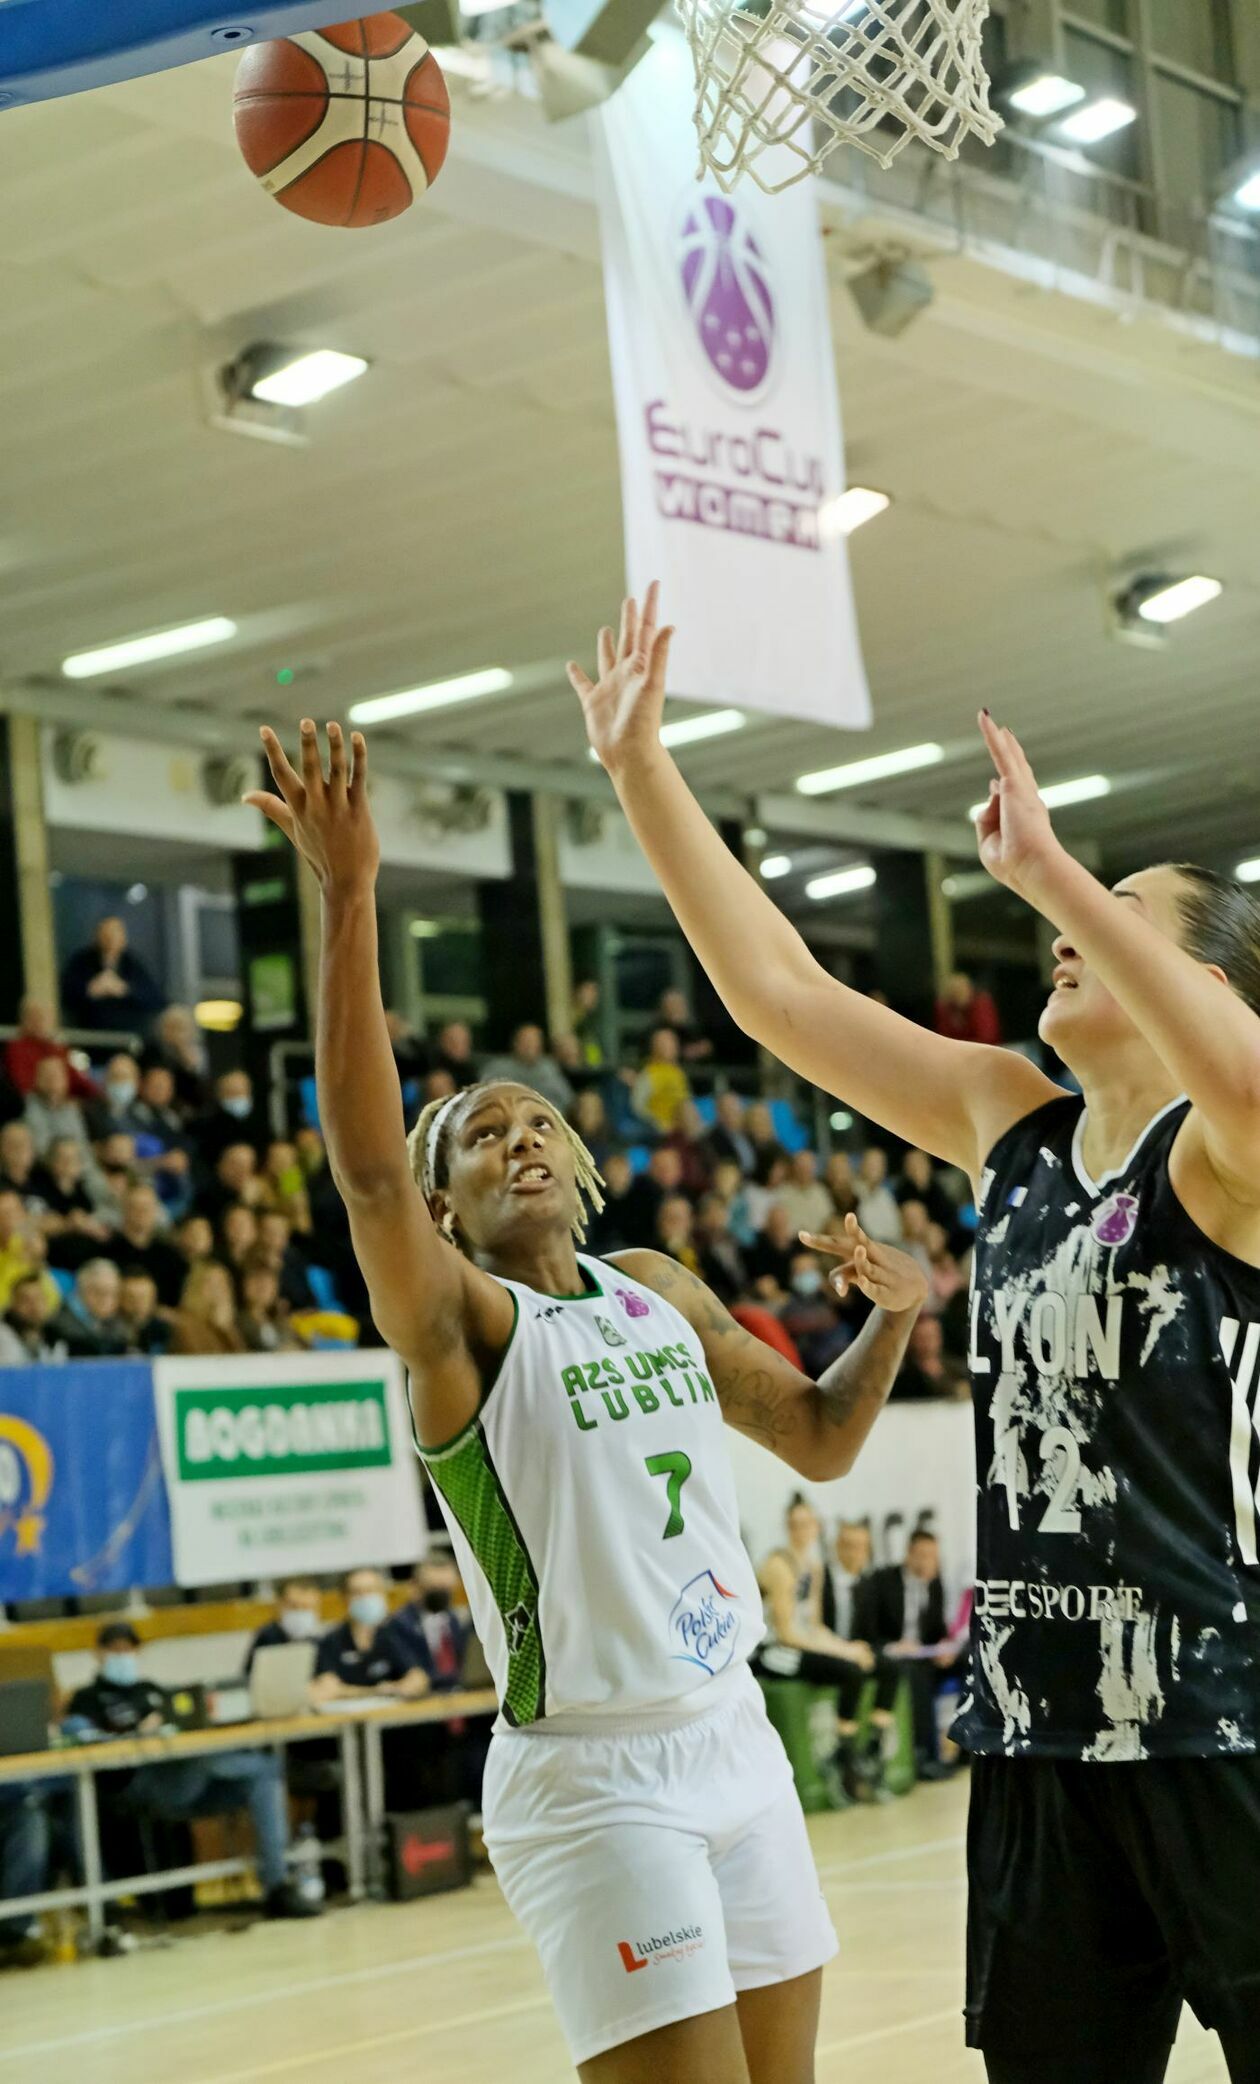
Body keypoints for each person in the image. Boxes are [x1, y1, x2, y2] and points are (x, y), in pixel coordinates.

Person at [571, 589, 1260, 2084]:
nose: (1066, 936)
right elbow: (779, 994)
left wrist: (1062, 873)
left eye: (1116, 920)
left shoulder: (1228, 1155)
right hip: (1035, 1745)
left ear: (1203, 986)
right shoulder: (1009, 1120)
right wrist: (641, 773)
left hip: (1229, 1725)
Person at [244, 716, 929, 2084]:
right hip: (594, 1780)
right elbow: (369, 1174)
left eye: (537, 1119)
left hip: (734, 1732)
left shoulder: (657, 1289)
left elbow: (819, 1440)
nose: (519, 1138)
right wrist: (353, 893)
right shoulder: (462, 1324)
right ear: (447, 1207)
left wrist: (897, 1317)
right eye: (479, 1137)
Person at [66, 1623, 316, 1919]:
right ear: (98, 1653)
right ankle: (248, 1762)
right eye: (115, 1649)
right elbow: (83, 1738)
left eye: (129, 1649)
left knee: (263, 1776)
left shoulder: (152, 1691)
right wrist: (138, 1732)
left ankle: (277, 1887)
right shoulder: (86, 1698)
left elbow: (181, 1717)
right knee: (206, 1759)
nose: (123, 1655)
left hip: (186, 1781)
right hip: (140, 1784)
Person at [752, 1499, 879, 1803]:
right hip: (772, 1651)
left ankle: (851, 1752)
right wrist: (843, 1655)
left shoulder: (814, 1565)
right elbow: (787, 1634)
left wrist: (846, 1648)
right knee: (848, 1670)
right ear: (787, 1527)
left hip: (800, 1642)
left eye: (807, 1523)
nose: (801, 1530)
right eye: (795, 1524)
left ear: (817, 1526)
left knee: (864, 1662)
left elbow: (815, 1626)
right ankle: (844, 1758)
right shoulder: (778, 1565)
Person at [862, 1531, 955, 1781]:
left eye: (933, 1557)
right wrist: (895, 1646)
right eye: (923, 1555)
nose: (928, 1562)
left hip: (924, 1654)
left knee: (969, 1664)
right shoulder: (883, 1581)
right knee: (917, 1676)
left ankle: (964, 1750)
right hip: (894, 1655)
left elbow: (938, 1631)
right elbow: (868, 1632)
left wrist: (945, 1646)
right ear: (909, 1554)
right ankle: (923, 1755)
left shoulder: (934, 1583)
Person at [311, 1568, 428, 1701]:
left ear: (382, 1594)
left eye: (370, 1591)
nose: (365, 1598)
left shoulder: (395, 1632)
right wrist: (377, 1691)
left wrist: (405, 1687)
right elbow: (328, 1688)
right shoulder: (331, 1641)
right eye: (357, 1592)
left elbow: (418, 1678)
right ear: (344, 1598)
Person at [60, 916, 162, 1033]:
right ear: (97, 937)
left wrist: (125, 990)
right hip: (90, 1034)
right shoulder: (81, 962)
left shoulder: (133, 963)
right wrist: (90, 990)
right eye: (106, 936)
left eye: (114, 936)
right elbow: (65, 994)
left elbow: (155, 998)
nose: (110, 940)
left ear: (123, 939)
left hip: (128, 1035)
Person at [98, 1183, 185, 1304]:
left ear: (155, 1211)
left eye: (146, 1207)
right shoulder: (105, 1251)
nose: (141, 1213)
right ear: (124, 1209)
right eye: (135, 1207)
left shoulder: (170, 1255)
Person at [3, 996, 98, 1102]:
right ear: (24, 1019)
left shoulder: (57, 1048)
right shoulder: (17, 1048)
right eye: (35, 1016)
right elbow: (22, 1086)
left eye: (46, 1016)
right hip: (35, 1106)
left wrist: (99, 1095)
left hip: (64, 1106)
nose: (41, 1021)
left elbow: (76, 1080)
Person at [481, 1024, 573, 1116]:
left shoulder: (549, 1066)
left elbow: (566, 1098)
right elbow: (485, 1099)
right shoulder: (498, 1067)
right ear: (515, 1043)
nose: (530, 1046)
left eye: (534, 1041)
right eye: (526, 1041)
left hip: (550, 1118)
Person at [51, 1258, 129, 1358]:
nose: (106, 1300)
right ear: (81, 1291)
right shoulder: (60, 1326)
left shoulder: (120, 1325)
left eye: (113, 1293)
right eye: (98, 1292)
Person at [143, 1004, 211, 1117]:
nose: (176, 1033)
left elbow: (201, 1093)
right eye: (171, 1027)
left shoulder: (197, 1055)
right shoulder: (152, 1052)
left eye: (181, 1028)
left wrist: (190, 1066)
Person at [167, 1261, 247, 1356]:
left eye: (223, 1284)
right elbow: (204, 1360)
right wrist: (221, 1330)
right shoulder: (185, 1324)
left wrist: (226, 1329)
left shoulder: (228, 1324)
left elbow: (241, 1361)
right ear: (195, 1287)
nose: (218, 1290)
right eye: (211, 1284)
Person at [245, 1578, 324, 1673]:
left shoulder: (318, 1641)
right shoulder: (267, 1637)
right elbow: (251, 1678)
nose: (300, 1613)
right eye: (294, 1606)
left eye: (306, 1607)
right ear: (280, 1605)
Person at [23, 1054, 89, 1160]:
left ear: (66, 1079)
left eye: (57, 1074)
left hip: (75, 1170)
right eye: (47, 1075)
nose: (52, 1080)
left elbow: (84, 1153)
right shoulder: (27, 1106)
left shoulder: (71, 1110)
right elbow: (41, 1150)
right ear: (36, 1079)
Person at [631, 1027, 692, 1136]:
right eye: (664, 1043)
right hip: (661, 1131)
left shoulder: (678, 1073)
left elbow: (685, 1101)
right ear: (654, 1047)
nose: (671, 1046)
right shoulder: (649, 1074)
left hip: (683, 1127)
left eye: (672, 1042)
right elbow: (638, 1107)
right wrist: (657, 1124)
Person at [195, 1071, 267, 1163]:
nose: (238, 1098)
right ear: (219, 1095)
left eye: (242, 1092)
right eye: (232, 1093)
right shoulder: (205, 1128)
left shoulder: (260, 1125)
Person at [893, 1315, 968, 1401]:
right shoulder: (903, 1377)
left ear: (939, 1337)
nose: (926, 1343)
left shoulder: (955, 1368)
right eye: (921, 1338)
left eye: (930, 1337)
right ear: (912, 1339)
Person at [0, 1271, 68, 1365]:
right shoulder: (3, 1335)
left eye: (39, 1299)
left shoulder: (56, 1337)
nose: (34, 1306)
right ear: (12, 1305)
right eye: (26, 1300)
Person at [771, 1150, 834, 1241]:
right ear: (794, 1168)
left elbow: (829, 1219)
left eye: (808, 1167)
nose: (805, 1170)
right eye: (801, 1167)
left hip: (820, 1242)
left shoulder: (820, 1191)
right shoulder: (782, 1193)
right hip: (794, 1243)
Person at [933, 970, 1002, 1046]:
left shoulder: (981, 1004)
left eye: (960, 989)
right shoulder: (945, 1008)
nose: (957, 994)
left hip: (983, 1050)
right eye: (954, 990)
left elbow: (987, 1037)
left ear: (969, 989)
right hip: (958, 1051)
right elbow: (944, 1037)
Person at [116, 1269, 171, 1356]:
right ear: (119, 1299)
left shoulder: (167, 1332)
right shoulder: (106, 1334)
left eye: (143, 1297)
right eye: (131, 1297)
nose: (137, 1304)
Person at [703, 1090, 756, 1177]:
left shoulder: (748, 1133)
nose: (732, 1112)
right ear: (718, 1112)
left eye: (735, 1108)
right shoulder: (711, 1139)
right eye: (727, 1109)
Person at [657, 986, 713, 1064]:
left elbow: (706, 1048)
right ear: (664, 1009)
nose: (676, 1009)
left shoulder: (691, 1030)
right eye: (672, 1005)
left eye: (679, 1005)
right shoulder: (658, 1031)